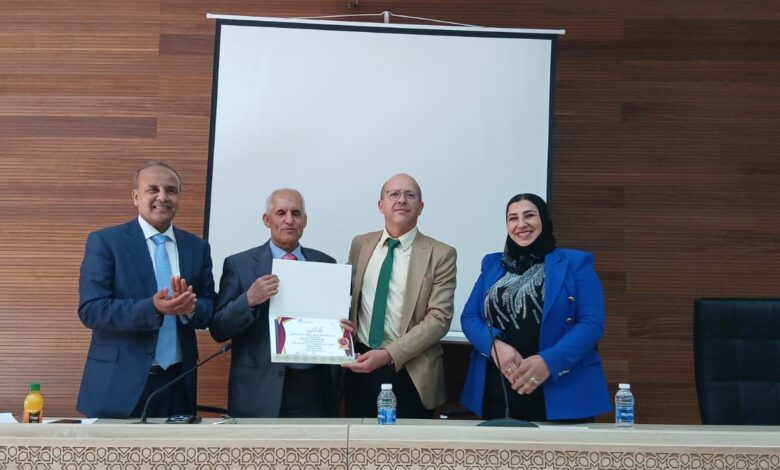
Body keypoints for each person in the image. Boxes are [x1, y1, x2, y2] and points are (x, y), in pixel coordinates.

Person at [77, 161, 216, 419]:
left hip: (178, 383)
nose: (162, 197)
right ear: (135, 196)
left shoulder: (197, 248)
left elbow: (210, 307)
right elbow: (92, 310)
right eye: (153, 189)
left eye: (171, 190)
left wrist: (190, 308)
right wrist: (153, 307)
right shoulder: (106, 242)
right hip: (117, 385)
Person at [460, 193, 611, 421]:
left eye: (529, 215)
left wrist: (549, 362)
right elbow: (470, 317)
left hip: (560, 385)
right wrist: (494, 346)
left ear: (544, 219)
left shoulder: (575, 263)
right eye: (513, 218)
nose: (521, 224)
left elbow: (592, 323)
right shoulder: (493, 264)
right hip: (500, 387)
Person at [210, 189, 339, 417]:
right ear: (267, 220)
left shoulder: (326, 264)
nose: (289, 220)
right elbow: (219, 328)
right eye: (281, 213)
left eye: (296, 213)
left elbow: (335, 323)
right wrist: (248, 300)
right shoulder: (239, 264)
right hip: (259, 389)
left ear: (305, 220)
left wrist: (343, 330)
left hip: (313, 389)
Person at [342, 173, 457, 419]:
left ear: (421, 207)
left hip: (411, 370)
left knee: (408, 442)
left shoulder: (441, 254)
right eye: (393, 194)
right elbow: (344, 294)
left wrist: (388, 354)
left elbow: (439, 319)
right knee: (359, 440)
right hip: (360, 363)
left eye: (410, 195)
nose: (401, 200)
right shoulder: (360, 244)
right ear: (380, 205)